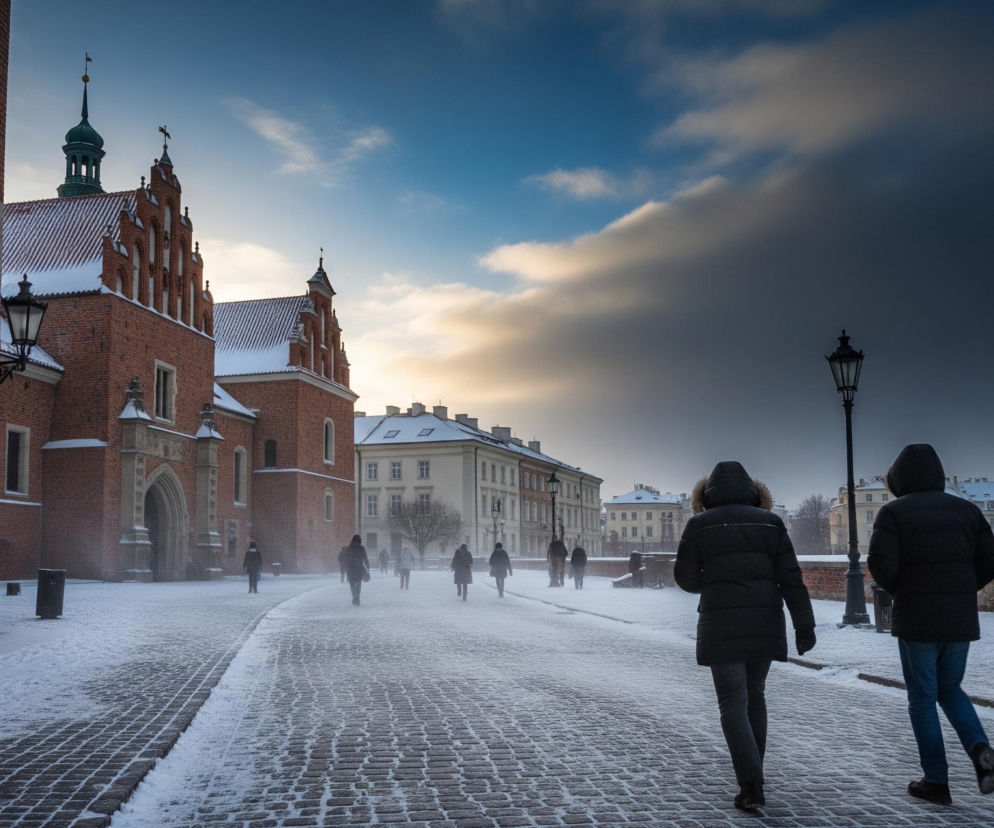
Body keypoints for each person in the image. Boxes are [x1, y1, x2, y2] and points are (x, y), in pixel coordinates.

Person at [675, 461, 815, 812]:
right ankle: (755, 774)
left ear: (706, 494)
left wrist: (713, 580)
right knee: (756, 696)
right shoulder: (771, 522)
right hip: (764, 621)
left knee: (732, 704)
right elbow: (791, 578)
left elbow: (685, 578)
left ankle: (750, 784)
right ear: (755, 491)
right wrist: (804, 624)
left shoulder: (699, 524)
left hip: (721, 623)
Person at [867, 443, 994, 806]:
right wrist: (961, 588)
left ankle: (936, 781)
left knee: (922, 697)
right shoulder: (968, 511)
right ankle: (981, 751)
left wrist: (903, 588)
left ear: (898, 478)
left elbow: (880, 565)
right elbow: (989, 560)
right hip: (959, 618)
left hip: (917, 618)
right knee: (951, 687)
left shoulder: (894, 513)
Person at [341, 534, 370, 606]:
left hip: (350, 568)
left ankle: (354, 596)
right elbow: (365, 558)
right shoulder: (361, 548)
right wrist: (367, 567)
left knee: (352, 584)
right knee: (359, 583)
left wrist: (346, 565)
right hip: (359, 568)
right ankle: (357, 598)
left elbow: (344, 558)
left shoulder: (349, 548)